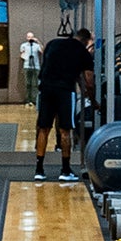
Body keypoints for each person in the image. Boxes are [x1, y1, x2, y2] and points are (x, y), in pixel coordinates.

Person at [34, 20, 95, 181]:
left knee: (43, 129)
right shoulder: (83, 52)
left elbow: (46, 65)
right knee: (65, 130)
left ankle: (39, 170)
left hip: (46, 89)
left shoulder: (52, 43)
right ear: (86, 41)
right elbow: (88, 81)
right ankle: (65, 170)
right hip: (65, 91)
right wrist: (94, 102)